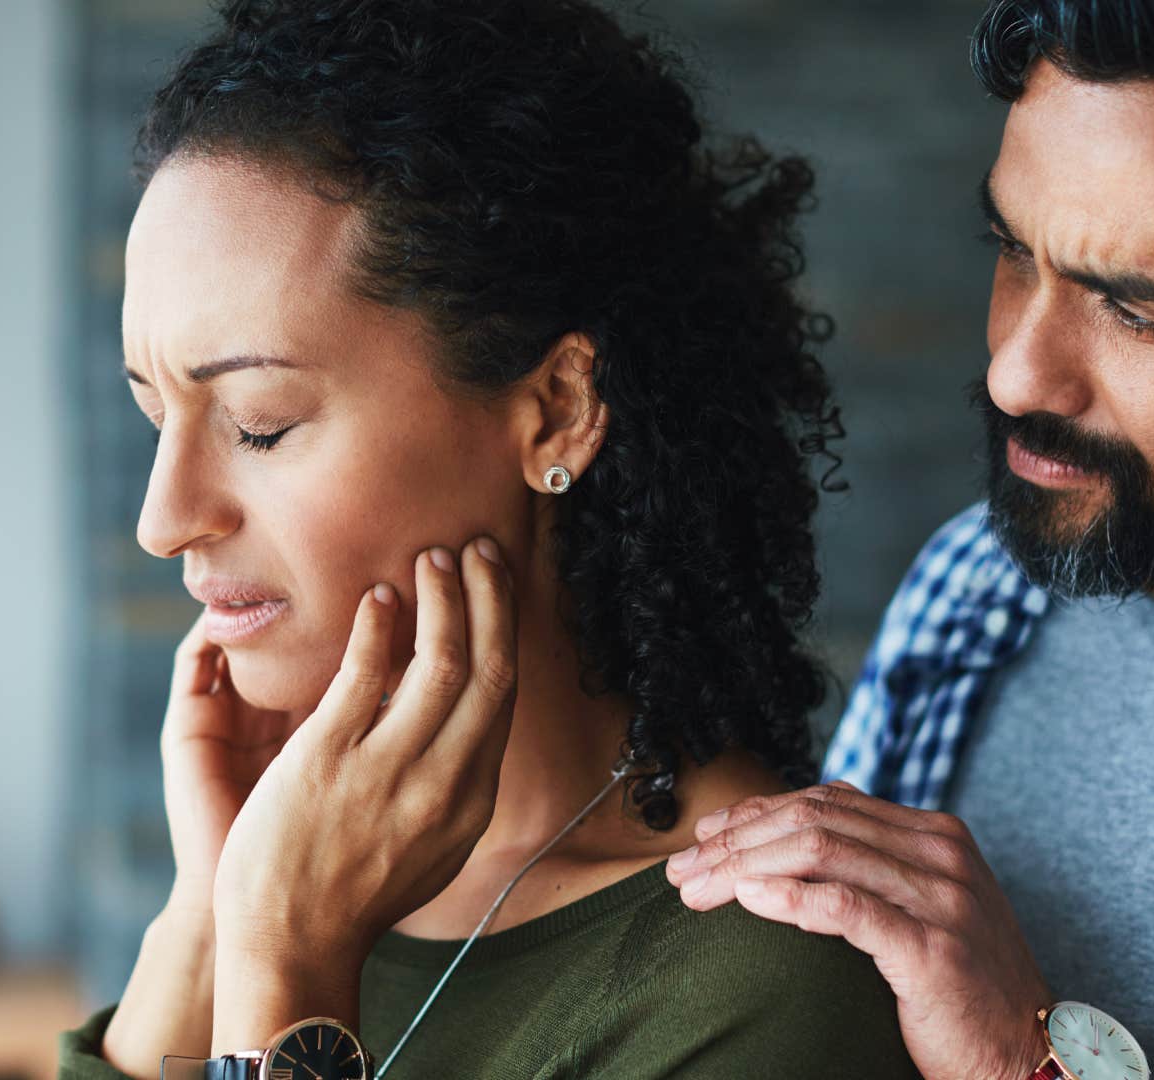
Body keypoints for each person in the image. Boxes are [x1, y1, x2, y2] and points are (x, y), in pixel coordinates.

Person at [56, 1, 918, 1078]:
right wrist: (205, 924)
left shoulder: (755, 988)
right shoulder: (291, 868)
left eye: (258, 423)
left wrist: (289, 966)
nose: (162, 516)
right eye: (154, 415)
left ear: (555, 409)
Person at [666, 1, 1154, 1078]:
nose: (1014, 373)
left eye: (1135, 310)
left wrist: (1020, 1059)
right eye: (1011, 250)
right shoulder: (971, 587)